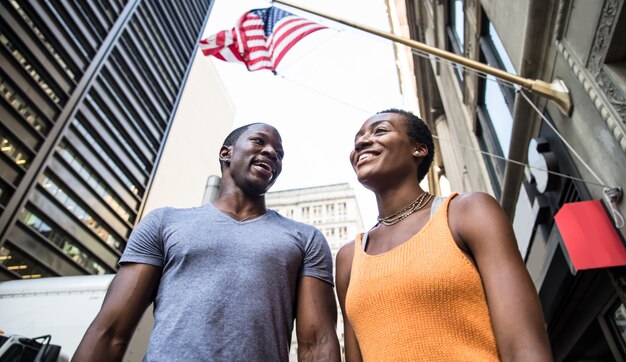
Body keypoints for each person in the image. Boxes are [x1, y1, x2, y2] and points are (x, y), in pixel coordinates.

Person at [73, 123, 340, 362]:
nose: (272, 152)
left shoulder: (306, 238)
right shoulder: (164, 222)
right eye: (259, 141)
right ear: (226, 153)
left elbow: (317, 345)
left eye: (279, 153)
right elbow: (110, 332)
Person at [336, 109, 552, 361]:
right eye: (357, 139)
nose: (361, 142)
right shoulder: (349, 258)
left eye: (380, 130)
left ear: (419, 149)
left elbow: (524, 348)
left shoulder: (468, 212)